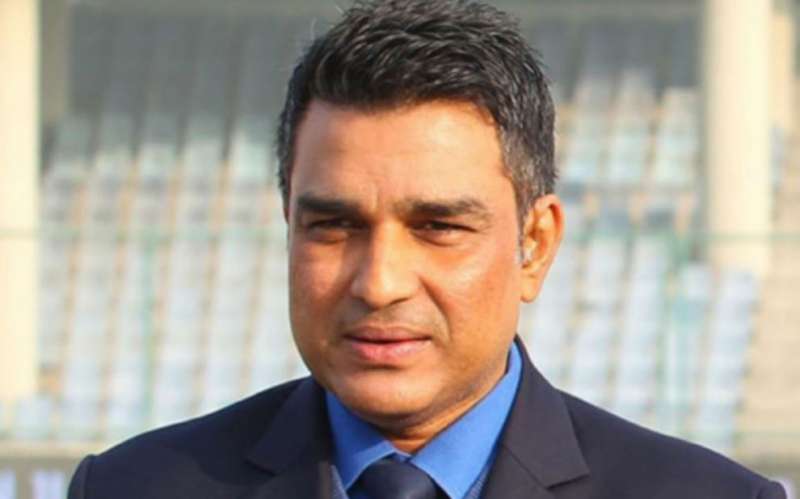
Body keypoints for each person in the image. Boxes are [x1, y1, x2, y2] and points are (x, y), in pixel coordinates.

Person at [68, 1, 787, 498]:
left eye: (438, 226)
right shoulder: (133, 487)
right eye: (333, 226)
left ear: (535, 245)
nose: (380, 282)